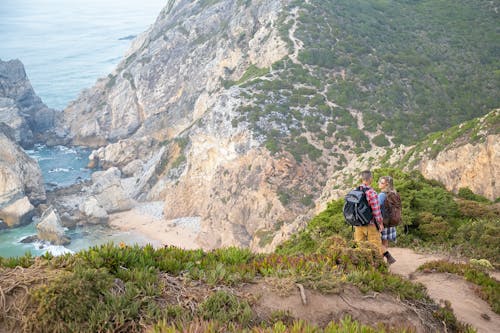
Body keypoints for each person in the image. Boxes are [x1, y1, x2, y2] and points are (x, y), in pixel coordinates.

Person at [353, 170, 384, 256]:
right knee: (375, 247)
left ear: (362, 179)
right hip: (370, 224)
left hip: (358, 224)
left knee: (359, 248)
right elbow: (376, 211)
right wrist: (380, 223)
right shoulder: (372, 193)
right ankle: (378, 268)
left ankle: (361, 267)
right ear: (370, 179)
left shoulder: (355, 191)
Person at [378, 176, 397, 264]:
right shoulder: (394, 193)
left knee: (377, 241)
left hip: (383, 222)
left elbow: (376, 207)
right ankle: (383, 262)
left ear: (387, 185)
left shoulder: (382, 195)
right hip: (391, 222)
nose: (379, 183)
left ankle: (385, 258)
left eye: (381, 183)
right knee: (385, 242)